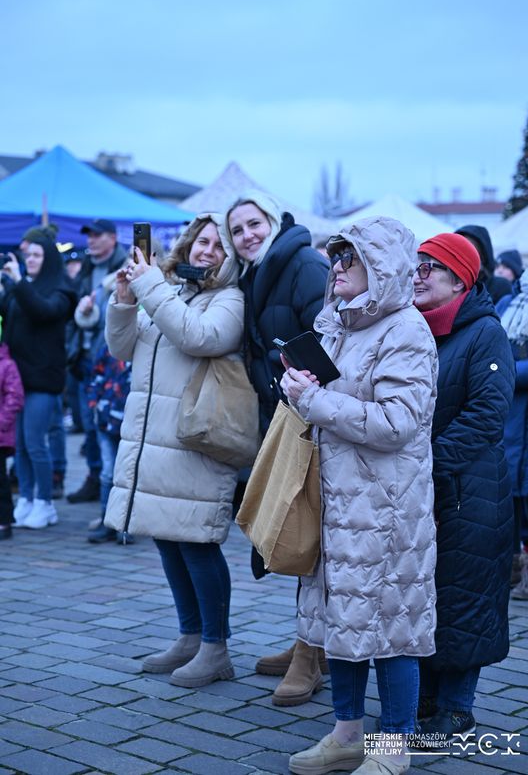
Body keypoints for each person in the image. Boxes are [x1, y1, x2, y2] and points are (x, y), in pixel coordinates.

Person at [284, 217, 438, 775]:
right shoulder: (337, 325)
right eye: (336, 256)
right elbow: (328, 397)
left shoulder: (406, 330)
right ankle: (347, 733)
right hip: (335, 497)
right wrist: (299, 387)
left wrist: (316, 401)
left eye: (350, 257)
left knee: (391, 622)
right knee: (338, 619)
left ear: (382, 265)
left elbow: (399, 422)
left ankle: (396, 743)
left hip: (387, 506)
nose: (338, 267)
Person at [104, 214, 244, 687]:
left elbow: (198, 336)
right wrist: (124, 302)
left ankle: (215, 647)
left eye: (218, 245)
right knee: (166, 535)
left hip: (197, 439)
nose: (207, 250)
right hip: (156, 436)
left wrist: (149, 287)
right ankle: (189, 636)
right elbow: (124, 348)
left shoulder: (229, 300)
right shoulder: (172, 290)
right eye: (201, 241)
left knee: (197, 541)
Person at [224, 189, 329, 706]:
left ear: (272, 220)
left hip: (317, 418)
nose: (247, 236)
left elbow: (328, 339)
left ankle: (314, 655)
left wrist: (306, 386)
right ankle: (306, 640)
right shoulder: (255, 275)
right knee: (297, 530)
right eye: (237, 230)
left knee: (313, 534)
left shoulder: (305, 263)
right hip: (283, 415)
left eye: (253, 224)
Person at [412, 232, 515, 745]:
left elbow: (487, 415)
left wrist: (426, 464)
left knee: (463, 595)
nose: (419, 272)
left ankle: (457, 710)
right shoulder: (415, 330)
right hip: (425, 488)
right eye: (418, 263)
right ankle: (426, 698)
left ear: (461, 278)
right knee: (426, 593)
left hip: (470, 491)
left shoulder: (484, 332)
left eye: (432, 266)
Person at [1, 236, 77, 529]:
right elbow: (6, 313)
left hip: (43, 378)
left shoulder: (61, 289)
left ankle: (45, 503)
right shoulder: (23, 286)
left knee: (35, 444)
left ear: (48, 258)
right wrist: (6, 283)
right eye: (27, 255)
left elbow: (42, 311)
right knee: (19, 445)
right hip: (16, 379)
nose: (30, 259)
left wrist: (18, 282)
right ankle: (27, 500)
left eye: (36, 255)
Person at [66, 219, 126, 504]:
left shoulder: (124, 267)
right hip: (85, 356)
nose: (91, 240)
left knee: (109, 427)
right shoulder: (87, 268)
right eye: (88, 235)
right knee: (89, 425)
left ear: (113, 238)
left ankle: (112, 488)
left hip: (113, 361)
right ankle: (95, 478)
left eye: (97, 235)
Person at [497, 243, 528, 600]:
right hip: (508, 412)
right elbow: (493, 343)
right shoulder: (511, 303)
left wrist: (508, 370)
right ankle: (510, 566)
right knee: (509, 491)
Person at [86, 344, 132, 544]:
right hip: (105, 420)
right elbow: (96, 375)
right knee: (107, 473)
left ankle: (125, 525)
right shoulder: (108, 348)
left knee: (127, 475)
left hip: (130, 422)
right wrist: (94, 402)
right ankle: (108, 521)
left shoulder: (143, 349)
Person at [0, 341, 24, 539]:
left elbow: (15, 397)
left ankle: (4, 521)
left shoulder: (6, 365)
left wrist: (1, 421)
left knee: (0, 480)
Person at [454, 224, 512, 304]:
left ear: (482, 255)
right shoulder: (451, 285)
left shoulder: (500, 286)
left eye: (469, 251)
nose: (462, 256)